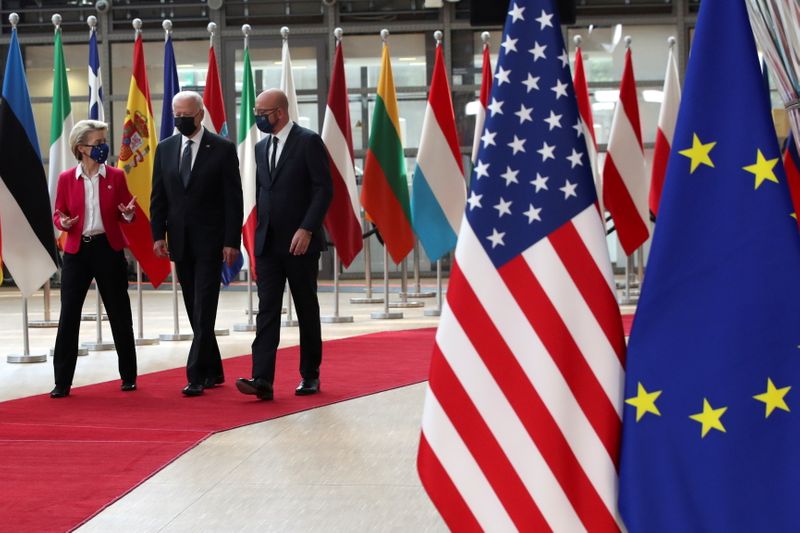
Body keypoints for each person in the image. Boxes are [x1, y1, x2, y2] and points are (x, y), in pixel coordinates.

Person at [236, 89, 332, 401]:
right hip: (268, 244)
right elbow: (263, 192)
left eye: (262, 113)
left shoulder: (308, 141)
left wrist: (307, 228)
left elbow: (323, 189)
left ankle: (310, 374)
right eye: (256, 112)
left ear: (280, 112)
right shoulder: (261, 147)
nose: (258, 118)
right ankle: (262, 378)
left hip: (300, 243)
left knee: (306, 308)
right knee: (267, 310)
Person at [150, 91, 243, 396]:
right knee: (193, 307)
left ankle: (196, 374)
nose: (180, 120)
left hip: (212, 242)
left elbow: (233, 199)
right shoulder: (165, 148)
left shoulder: (222, 149)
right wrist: (157, 235)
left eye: (186, 115)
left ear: (200, 114)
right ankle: (214, 369)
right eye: (176, 115)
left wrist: (232, 241)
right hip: (179, 241)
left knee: (205, 306)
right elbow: (158, 196)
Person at [50, 120, 138, 398]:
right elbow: (59, 213)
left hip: (108, 249)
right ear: (81, 148)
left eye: (104, 142)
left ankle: (129, 376)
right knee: (69, 315)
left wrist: (128, 214)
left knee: (119, 313)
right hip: (77, 252)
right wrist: (63, 222)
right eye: (98, 143)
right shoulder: (66, 178)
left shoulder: (116, 176)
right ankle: (62, 382)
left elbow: (127, 212)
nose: (103, 147)